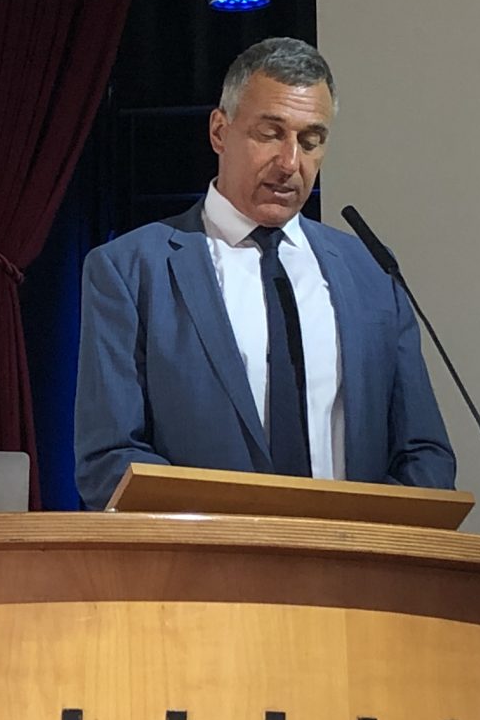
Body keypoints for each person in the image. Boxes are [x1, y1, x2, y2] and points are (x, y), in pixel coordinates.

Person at [73, 37, 456, 509]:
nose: (291, 163)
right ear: (219, 131)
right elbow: (109, 460)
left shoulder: (372, 271)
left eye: (311, 141)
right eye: (271, 134)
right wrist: (237, 537)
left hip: (351, 555)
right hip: (205, 556)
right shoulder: (130, 270)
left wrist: (361, 538)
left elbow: (425, 454)